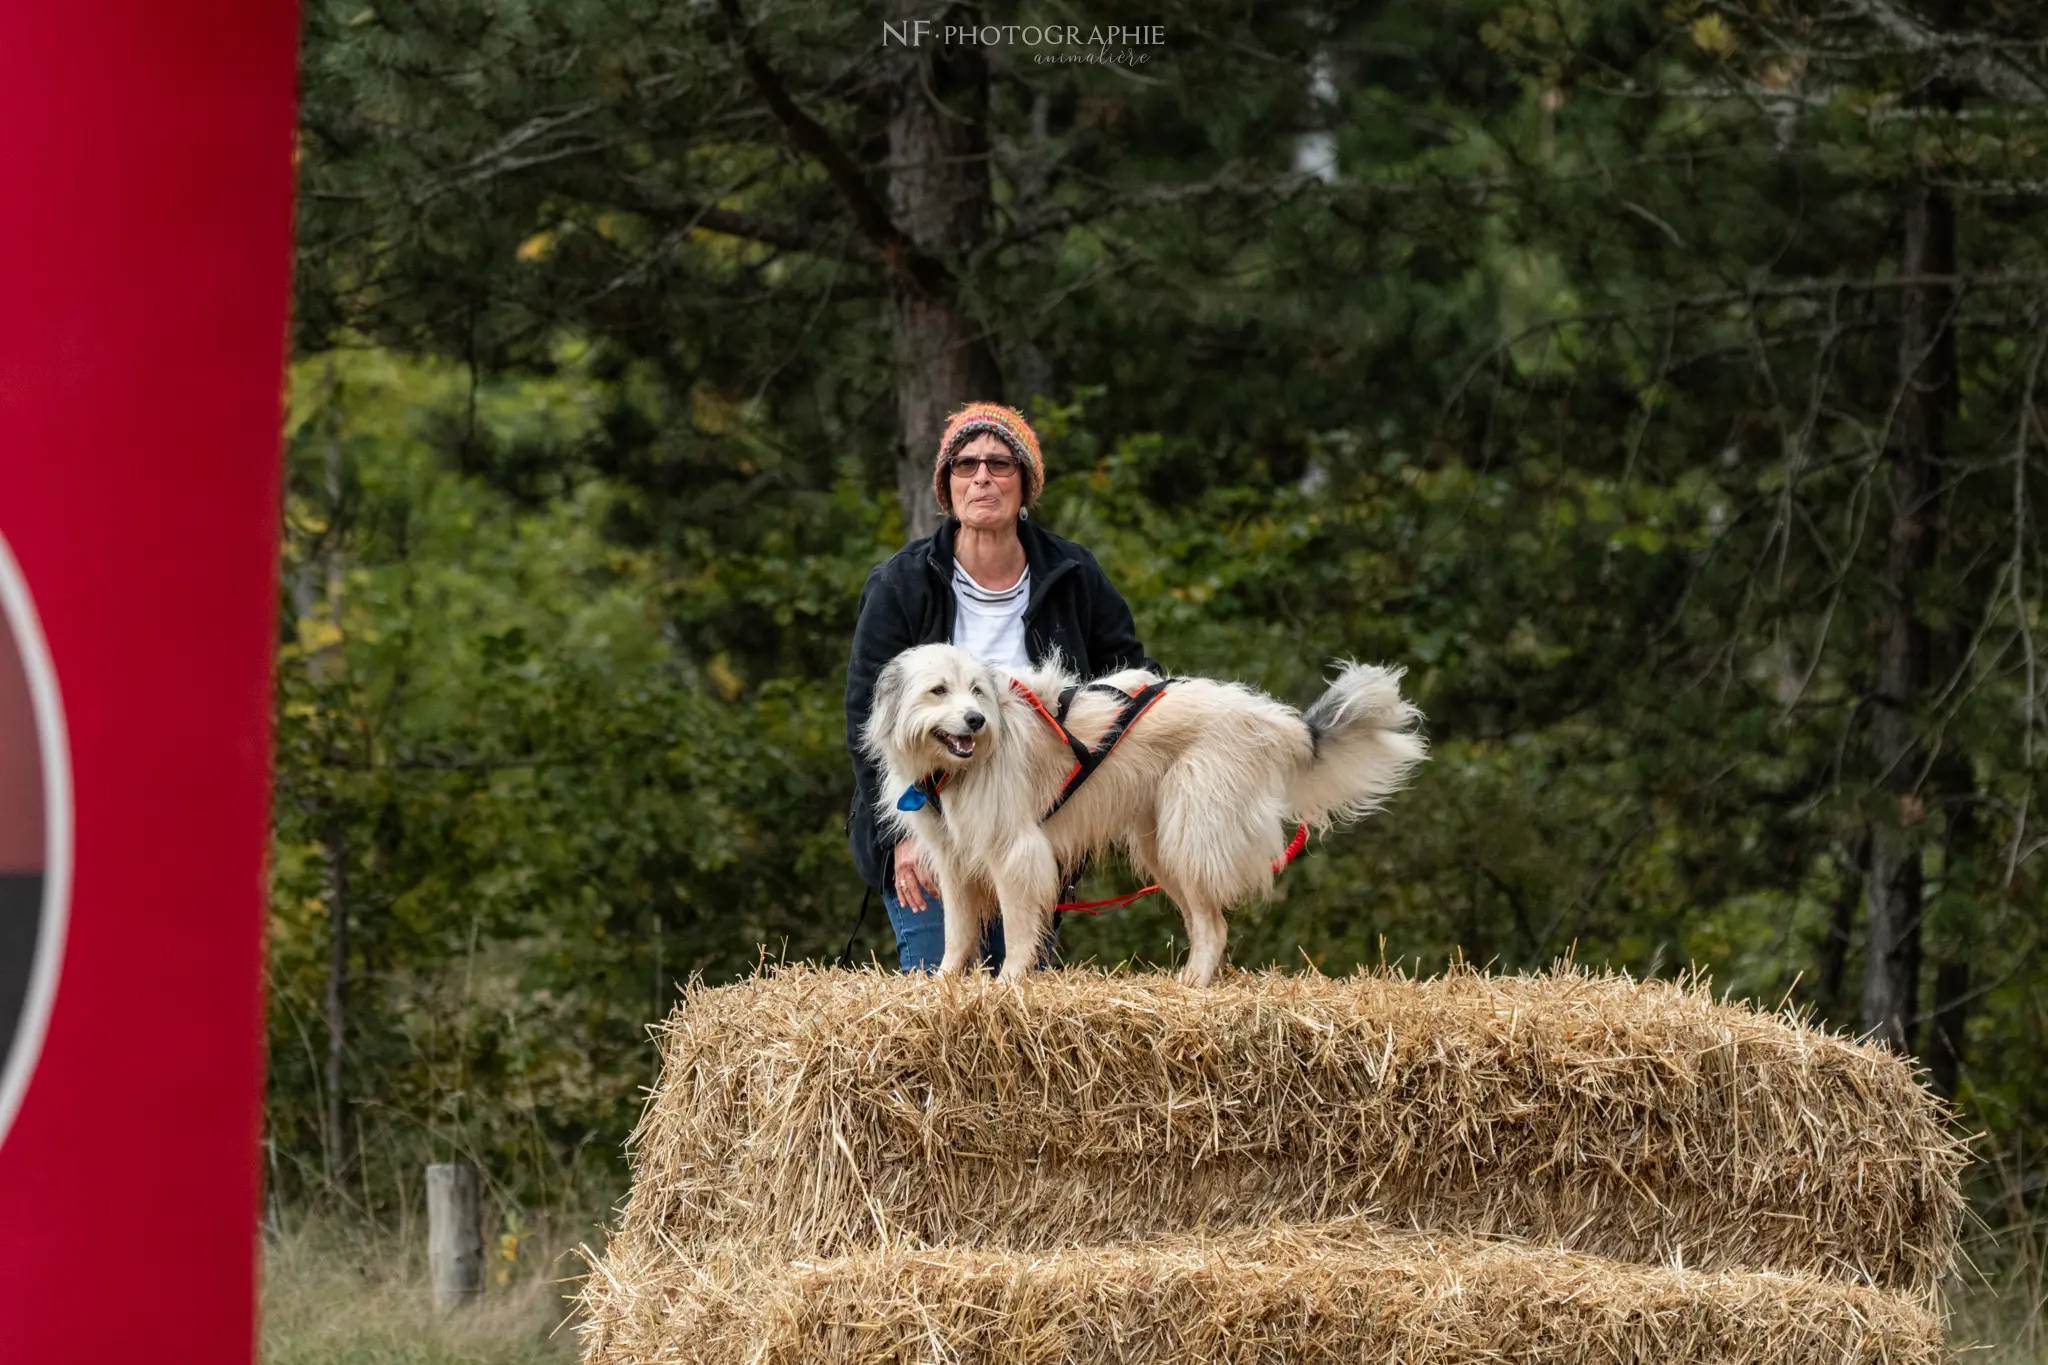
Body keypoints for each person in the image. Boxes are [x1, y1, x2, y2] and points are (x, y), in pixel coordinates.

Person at [844, 402, 1158, 973]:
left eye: (1000, 463)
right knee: (946, 992)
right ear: (947, 487)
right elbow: (869, 719)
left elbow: (1130, 680)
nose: (982, 477)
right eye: (965, 465)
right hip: (931, 823)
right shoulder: (901, 584)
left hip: (1032, 820)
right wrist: (903, 838)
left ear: (1026, 484)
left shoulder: (1073, 573)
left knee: (1021, 995)